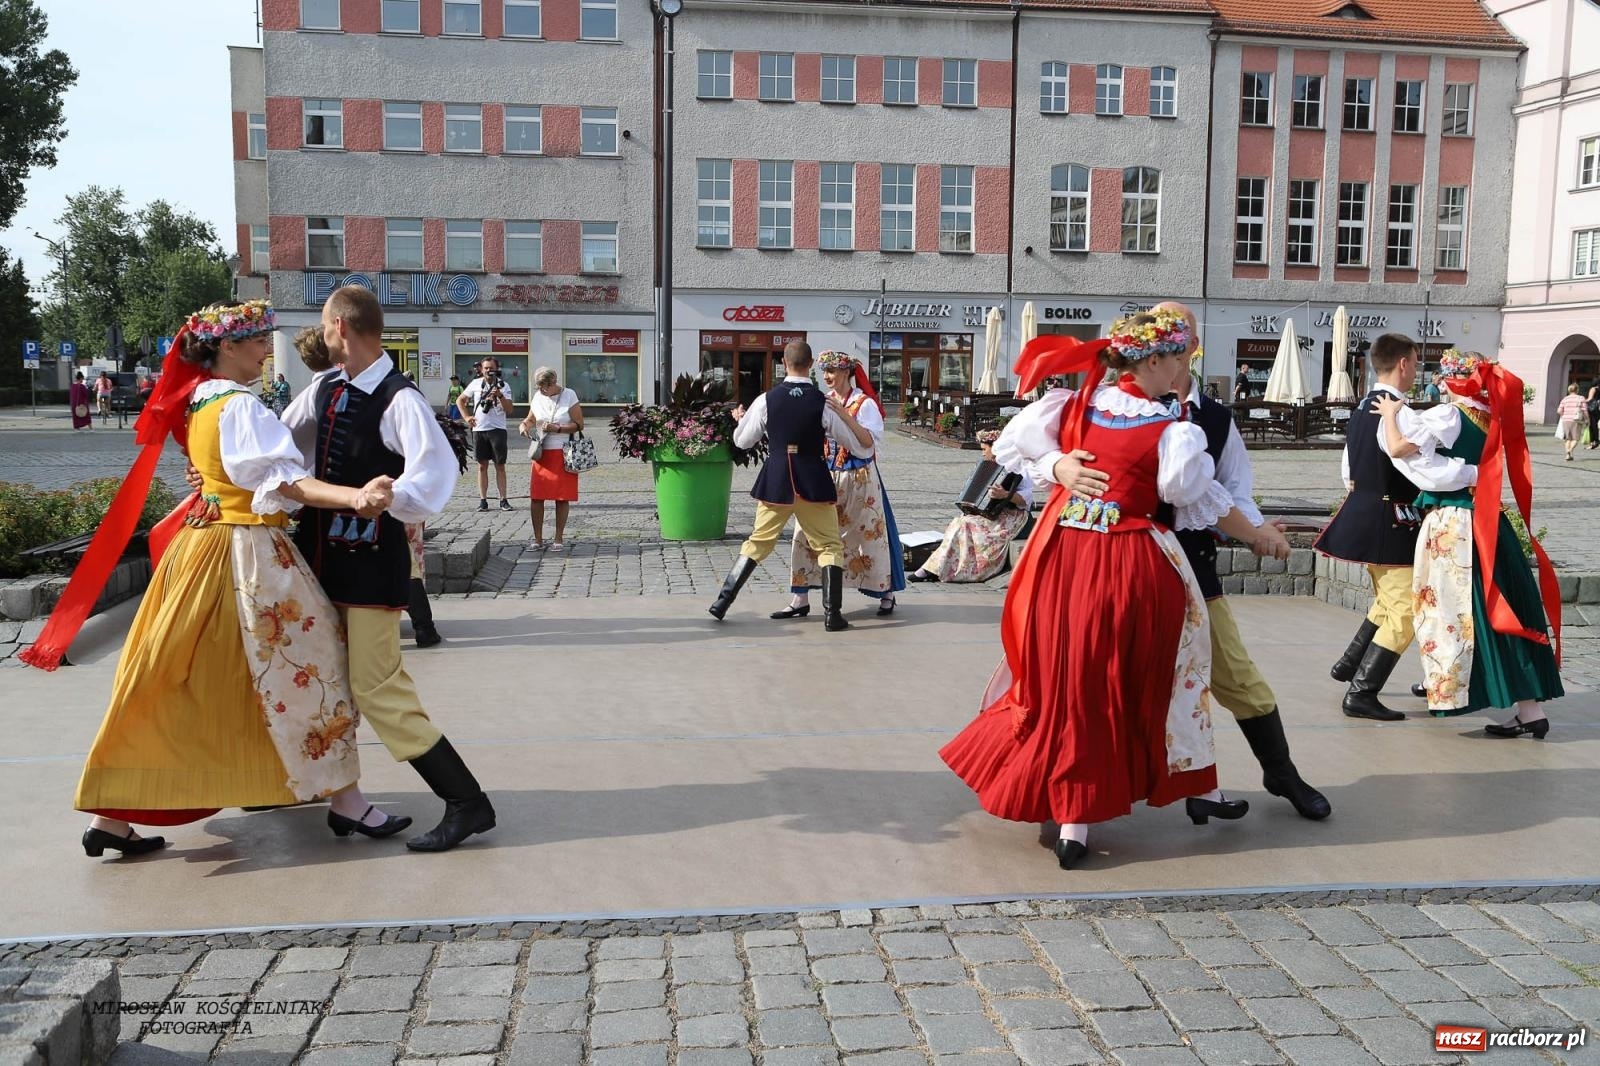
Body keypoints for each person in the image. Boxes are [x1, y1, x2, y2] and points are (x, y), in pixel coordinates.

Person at [25, 300, 410, 855]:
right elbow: (290, 484)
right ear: (227, 347)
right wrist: (357, 497)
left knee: (179, 681)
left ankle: (112, 818)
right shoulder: (241, 407)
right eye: (256, 342)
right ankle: (347, 802)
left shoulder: (203, 400)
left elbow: (225, 472)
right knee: (311, 666)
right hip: (247, 554)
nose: (264, 351)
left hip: (199, 553)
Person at [942, 311, 1285, 870]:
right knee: (1150, 676)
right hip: (1129, 563)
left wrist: (1056, 463)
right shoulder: (1167, 430)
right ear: (1153, 361)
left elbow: (1013, 448)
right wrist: (1059, 465)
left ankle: (1145, 799)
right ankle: (1114, 800)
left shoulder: (1082, 407)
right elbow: (1197, 499)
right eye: (1179, 358)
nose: (1183, 367)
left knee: (1084, 677)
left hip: (1067, 561)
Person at [1063, 301, 1327, 820]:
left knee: (1234, 675)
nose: (1181, 347)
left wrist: (1255, 534)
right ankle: (1091, 795)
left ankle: (1280, 771)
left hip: (1191, 574)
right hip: (1113, 571)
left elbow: (1234, 490)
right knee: (1095, 680)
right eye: (1172, 337)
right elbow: (1038, 457)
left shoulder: (1212, 417)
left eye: (1186, 336)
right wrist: (1059, 463)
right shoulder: (1098, 404)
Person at [283, 285, 495, 851]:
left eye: (323, 325)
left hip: (372, 565)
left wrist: (391, 494)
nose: (321, 333)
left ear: (339, 328)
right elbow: (281, 450)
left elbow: (435, 472)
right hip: (319, 560)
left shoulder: (399, 398)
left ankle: (465, 800)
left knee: (377, 684)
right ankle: (341, 798)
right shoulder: (325, 387)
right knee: (322, 680)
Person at [1376, 350, 1564, 736]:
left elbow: (1398, 451)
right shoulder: (1491, 417)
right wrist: (1473, 471)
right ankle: (1530, 712)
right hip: (1489, 522)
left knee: (1463, 614)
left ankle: (1465, 690)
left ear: (1449, 381)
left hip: (1456, 525)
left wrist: (1391, 416)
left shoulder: (1449, 415)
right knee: (1502, 609)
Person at [707, 340, 873, 631]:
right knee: (829, 545)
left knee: (759, 542)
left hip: (777, 480)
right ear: (810, 366)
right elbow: (854, 445)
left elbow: (742, 442)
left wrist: (741, 421)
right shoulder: (823, 402)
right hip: (813, 480)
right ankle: (832, 615)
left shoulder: (766, 399)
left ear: (783, 362)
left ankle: (723, 601)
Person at [1316, 333, 1435, 722]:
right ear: (1403, 364)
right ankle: (1362, 692)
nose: (1416, 369)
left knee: (1386, 601)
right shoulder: (1400, 412)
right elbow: (1423, 470)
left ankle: (1350, 664)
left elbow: (1348, 471)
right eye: (1416, 362)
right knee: (1404, 610)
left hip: (1365, 513)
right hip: (1394, 521)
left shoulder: (1363, 406)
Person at [779, 351, 905, 620]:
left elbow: (868, 443)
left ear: (847, 373)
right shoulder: (822, 401)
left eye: (832, 371)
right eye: (824, 371)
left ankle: (885, 592)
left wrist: (845, 416)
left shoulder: (864, 404)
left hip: (859, 477)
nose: (827, 377)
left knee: (868, 534)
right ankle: (800, 596)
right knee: (807, 533)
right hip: (825, 475)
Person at [908, 429, 1033, 584]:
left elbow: (1025, 500)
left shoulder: (1019, 466)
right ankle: (937, 568)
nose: (982, 454)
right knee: (960, 521)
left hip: (1014, 517)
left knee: (966, 523)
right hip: (993, 515)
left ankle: (934, 569)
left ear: (996, 448)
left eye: (984, 449)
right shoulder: (991, 466)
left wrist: (1004, 495)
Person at [517, 367, 584, 550]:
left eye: (544, 387)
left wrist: (558, 428)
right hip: (541, 452)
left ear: (553, 383)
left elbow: (579, 424)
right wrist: (524, 425)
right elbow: (530, 418)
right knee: (536, 497)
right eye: (539, 387)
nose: (541, 391)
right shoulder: (538, 396)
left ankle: (558, 538)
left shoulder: (569, 395)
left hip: (563, 451)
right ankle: (538, 539)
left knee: (562, 497)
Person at [456, 356, 516, 511]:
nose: (489, 370)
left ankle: (503, 499)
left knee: (500, 466)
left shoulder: (504, 385)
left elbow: (509, 409)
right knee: (482, 466)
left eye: (491, 367)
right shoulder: (475, 384)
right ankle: (483, 500)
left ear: (497, 369)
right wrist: (467, 417)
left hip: (497, 429)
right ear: (481, 370)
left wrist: (500, 395)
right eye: (486, 368)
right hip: (479, 429)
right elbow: (460, 400)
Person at [1557, 384, 1587, 461]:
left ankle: (1568, 455)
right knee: (1576, 438)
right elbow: (1584, 410)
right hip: (1576, 420)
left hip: (1565, 420)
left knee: (1567, 439)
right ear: (1577, 390)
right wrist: (1587, 419)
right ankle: (1569, 451)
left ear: (1569, 390)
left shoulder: (1565, 399)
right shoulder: (1581, 398)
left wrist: (1564, 415)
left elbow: (1559, 411)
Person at [1586, 381, 1599, 450]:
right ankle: (1595, 441)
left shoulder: (1593, 389)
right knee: (1595, 425)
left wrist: (1583, 401)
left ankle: (1594, 442)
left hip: (1592, 409)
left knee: (1592, 425)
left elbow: (1590, 398)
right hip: (1598, 409)